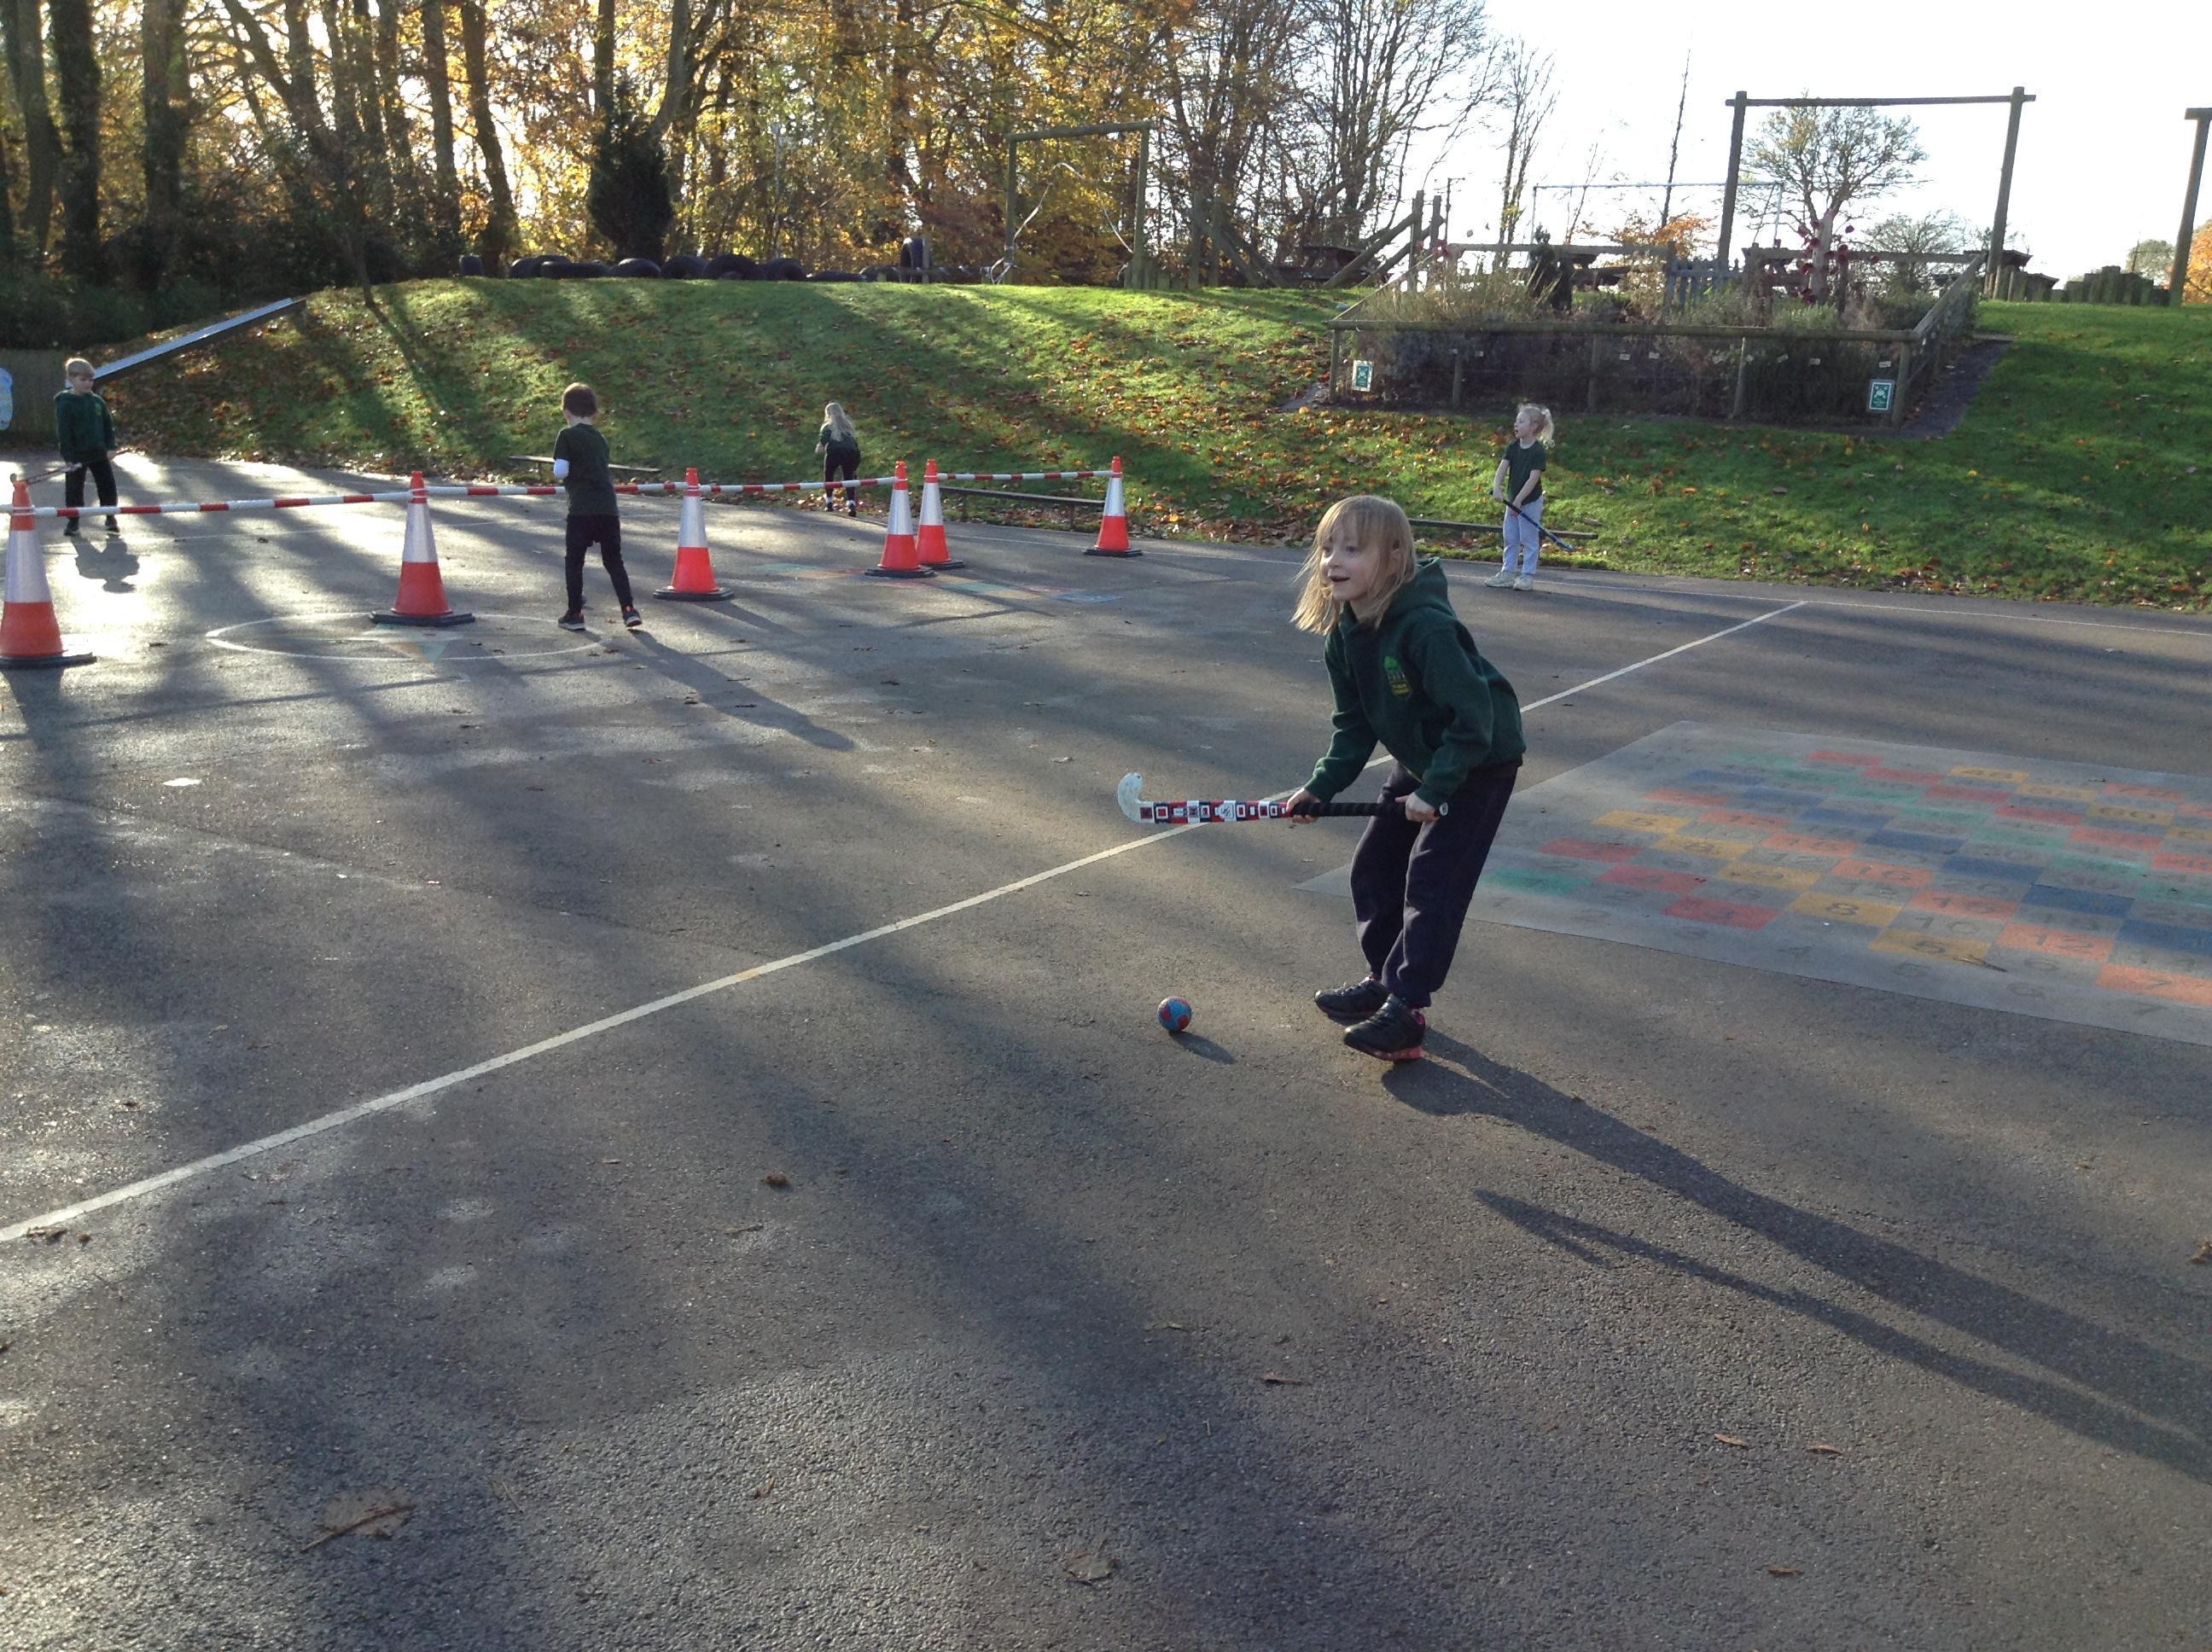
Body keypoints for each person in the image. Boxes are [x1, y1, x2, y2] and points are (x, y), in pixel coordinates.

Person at [1286, 495, 1526, 1062]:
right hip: (1421, 758)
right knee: (1374, 866)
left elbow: (1474, 720)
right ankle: (1384, 981)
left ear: (1394, 558)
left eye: (1352, 549)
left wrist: (1436, 791)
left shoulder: (1426, 627)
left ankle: (1408, 1009)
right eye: (1327, 548)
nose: (1333, 561)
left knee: (1433, 882)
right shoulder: (1345, 634)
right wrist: (1321, 787)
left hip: (1477, 762)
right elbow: (1354, 725)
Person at [551, 382, 640, 631]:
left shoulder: (566, 435)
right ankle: (629, 609)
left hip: (581, 508)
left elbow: (561, 471)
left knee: (575, 560)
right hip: (608, 508)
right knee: (613, 560)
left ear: (566, 411)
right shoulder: (600, 439)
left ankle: (575, 613)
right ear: (593, 412)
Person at [1487, 402, 1553, 592]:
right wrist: (1497, 488)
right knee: (1510, 537)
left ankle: (1527, 575)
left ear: (1533, 427)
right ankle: (1507, 572)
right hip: (1513, 501)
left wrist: (1519, 500)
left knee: (1529, 539)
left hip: (1530, 502)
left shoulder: (1538, 451)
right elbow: (1502, 469)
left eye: (1521, 421)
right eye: (1516, 421)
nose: (1516, 425)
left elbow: (1533, 479)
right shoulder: (1513, 447)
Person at [53, 358, 119, 538]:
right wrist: (68, 457)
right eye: (82, 380)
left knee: (107, 485)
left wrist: (111, 446)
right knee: (74, 489)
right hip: (77, 455)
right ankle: (73, 522)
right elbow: (64, 432)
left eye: (90, 380)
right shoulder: (65, 403)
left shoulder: (97, 402)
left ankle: (110, 517)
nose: (87, 383)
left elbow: (108, 425)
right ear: (71, 379)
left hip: (99, 453)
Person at [815, 402, 862, 516]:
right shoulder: (848, 425)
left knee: (829, 475)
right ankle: (851, 504)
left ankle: (829, 502)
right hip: (851, 452)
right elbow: (854, 442)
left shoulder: (828, 426)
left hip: (834, 452)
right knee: (849, 477)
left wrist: (819, 447)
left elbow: (823, 439)